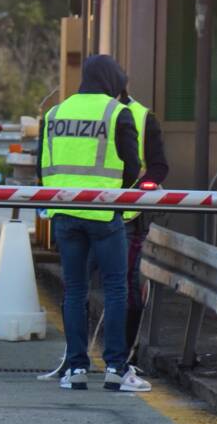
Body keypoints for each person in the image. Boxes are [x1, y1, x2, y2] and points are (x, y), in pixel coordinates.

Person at [38, 55, 150, 393]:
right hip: (104, 214)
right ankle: (116, 367)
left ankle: (75, 369)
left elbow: (42, 167)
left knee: (74, 291)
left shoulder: (55, 113)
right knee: (116, 288)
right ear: (112, 81)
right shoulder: (117, 113)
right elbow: (132, 167)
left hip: (65, 214)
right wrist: (114, 194)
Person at [118, 88, 169, 365]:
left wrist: (140, 187)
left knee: (126, 286)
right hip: (86, 213)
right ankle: (78, 359)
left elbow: (158, 167)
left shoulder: (141, 117)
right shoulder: (87, 110)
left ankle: (122, 357)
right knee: (79, 288)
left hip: (126, 217)